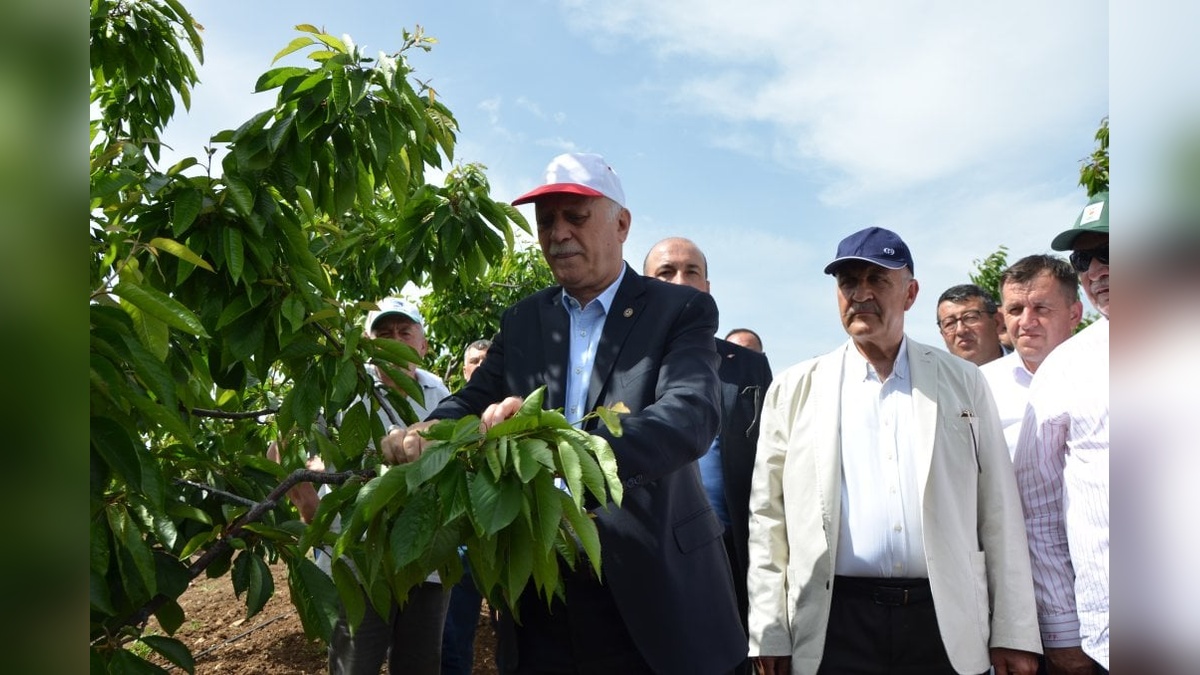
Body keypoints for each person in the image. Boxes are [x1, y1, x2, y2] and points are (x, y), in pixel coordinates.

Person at [381, 152, 746, 675]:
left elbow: (688, 416)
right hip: (540, 588)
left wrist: (555, 447)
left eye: (576, 216)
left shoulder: (679, 309)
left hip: (656, 586)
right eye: (546, 220)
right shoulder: (525, 319)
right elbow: (472, 398)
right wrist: (428, 429)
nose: (558, 233)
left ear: (621, 224)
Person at [746, 226, 1041, 675]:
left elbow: (998, 509)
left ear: (910, 292)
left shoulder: (962, 381)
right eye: (848, 282)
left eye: (877, 280)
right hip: (833, 623)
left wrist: (1013, 630)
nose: (860, 294)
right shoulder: (795, 388)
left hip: (944, 623)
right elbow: (768, 517)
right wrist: (768, 630)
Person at [270, 296, 452, 675]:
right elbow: (282, 448)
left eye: (405, 332)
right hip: (357, 558)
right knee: (356, 664)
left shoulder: (441, 394)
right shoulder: (342, 388)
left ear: (423, 344)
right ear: (368, 344)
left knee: (420, 665)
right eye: (384, 333)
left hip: (426, 560)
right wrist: (309, 508)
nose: (394, 340)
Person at [643, 237, 774, 674]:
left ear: (709, 286)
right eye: (666, 273)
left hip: (732, 550)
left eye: (691, 272)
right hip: (647, 553)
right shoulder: (622, 362)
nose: (680, 282)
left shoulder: (748, 366)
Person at [1013, 192, 1110, 674]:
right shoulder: (1066, 369)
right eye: (1083, 258)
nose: (1095, 270)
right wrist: (1062, 632)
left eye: (1110, 250)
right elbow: (1040, 511)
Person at [980, 255, 1083, 457]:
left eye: (1041, 308)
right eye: (1015, 310)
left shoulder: (1107, 375)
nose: (1026, 322)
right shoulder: (980, 386)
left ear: (1074, 315)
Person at [441, 338, 493, 675]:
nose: (480, 367)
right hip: (458, 543)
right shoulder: (452, 409)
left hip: (500, 537)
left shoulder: (507, 409)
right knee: (452, 634)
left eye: (487, 361)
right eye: (474, 361)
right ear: (464, 369)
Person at [936, 283, 1006, 366]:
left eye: (970, 318)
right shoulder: (934, 377)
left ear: (997, 322)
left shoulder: (1024, 366)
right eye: (949, 323)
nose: (960, 330)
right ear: (942, 334)